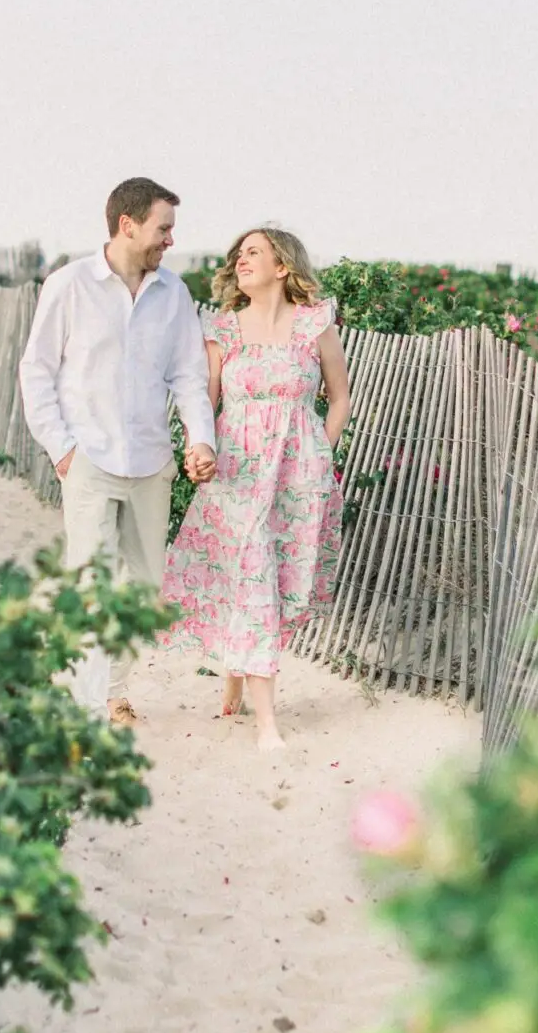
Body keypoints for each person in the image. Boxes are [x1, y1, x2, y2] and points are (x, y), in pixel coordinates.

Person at [19, 176, 218, 726]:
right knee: (91, 580)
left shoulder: (173, 294)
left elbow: (188, 376)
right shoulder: (68, 285)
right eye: (163, 228)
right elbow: (36, 371)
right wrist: (61, 450)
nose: (170, 241)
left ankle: (108, 684)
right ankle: (100, 700)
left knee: (145, 586)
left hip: (151, 462)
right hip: (89, 460)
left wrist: (200, 438)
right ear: (127, 224)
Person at [163, 225, 350, 751]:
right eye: (238, 254)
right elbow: (207, 401)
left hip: (296, 478)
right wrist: (198, 450)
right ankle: (266, 722)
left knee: (273, 581)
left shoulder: (315, 325)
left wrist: (320, 451)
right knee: (251, 577)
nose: (241, 260)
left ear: (283, 266)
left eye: (254, 253)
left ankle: (235, 675)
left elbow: (339, 398)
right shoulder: (222, 328)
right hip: (238, 477)